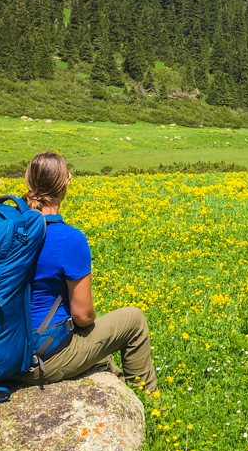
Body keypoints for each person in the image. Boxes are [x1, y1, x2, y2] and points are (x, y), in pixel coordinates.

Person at [17, 151, 157, 393]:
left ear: (28, 183)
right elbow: (83, 316)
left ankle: (115, 383)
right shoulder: (69, 239)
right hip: (37, 359)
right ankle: (149, 403)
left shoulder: (5, 230)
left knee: (98, 350)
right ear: (65, 184)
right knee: (133, 320)